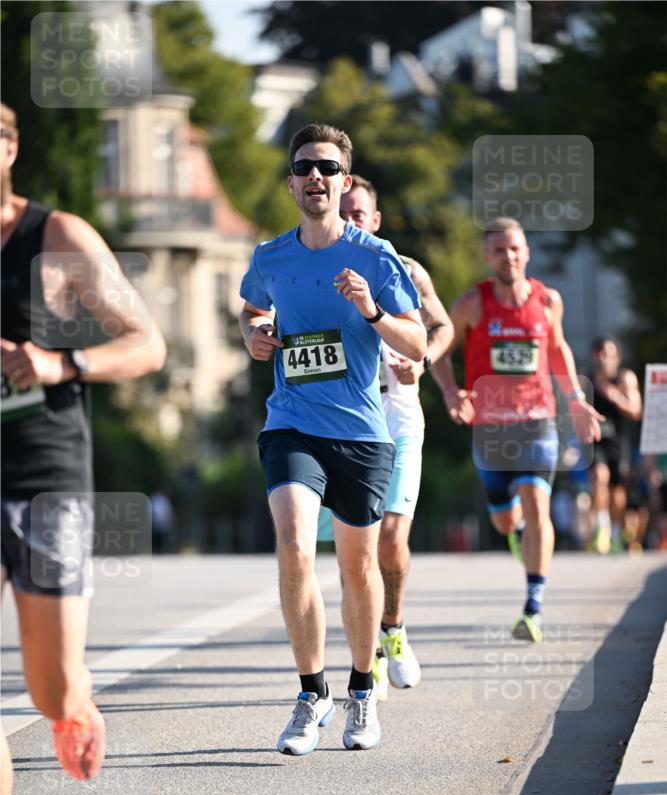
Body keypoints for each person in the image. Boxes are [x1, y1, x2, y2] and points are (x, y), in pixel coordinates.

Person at [0, 102, 166, 795]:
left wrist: (57, 362)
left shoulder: (53, 238)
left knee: (47, 687)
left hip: (46, 476)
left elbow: (146, 342)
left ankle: (77, 704)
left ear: (9, 148)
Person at [239, 123, 426, 755]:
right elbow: (251, 308)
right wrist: (254, 332)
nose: (314, 175)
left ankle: (363, 689)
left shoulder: (377, 258)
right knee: (294, 541)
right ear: (291, 182)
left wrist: (372, 310)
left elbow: (418, 342)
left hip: (361, 434)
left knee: (357, 566)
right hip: (291, 422)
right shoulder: (270, 257)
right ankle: (311, 692)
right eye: (303, 167)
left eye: (326, 166)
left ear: (344, 180)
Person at [431, 217, 603, 643]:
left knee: (537, 505)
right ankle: (517, 535)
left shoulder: (548, 302)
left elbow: (558, 350)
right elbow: (439, 352)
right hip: (490, 432)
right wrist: (452, 392)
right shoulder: (472, 304)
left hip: (538, 421)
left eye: (515, 249)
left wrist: (577, 400)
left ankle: (533, 607)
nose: (508, 256)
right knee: (507, 521)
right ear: (487, 257)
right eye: (498, 250)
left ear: (526, 253)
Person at [320, 175, 453, 698]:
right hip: (343, 417)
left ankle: (393, 629)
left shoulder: (406, 269)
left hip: (396, 416)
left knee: (392, 539)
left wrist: (423, 363)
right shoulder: (318, 267)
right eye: (344, 212)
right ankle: (367, 650)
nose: (351, 221)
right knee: (356, 546)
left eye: (360, 214)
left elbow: (440, 328)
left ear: (375, 220)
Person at [587, 337, 642, 553]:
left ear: (617, 357)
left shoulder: (624, 378)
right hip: (596, 439)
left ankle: (617, 534)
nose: (603, 358)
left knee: (618, 490)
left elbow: (636, 411)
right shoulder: (587, 380)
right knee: (600, 479)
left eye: (608, 354)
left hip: (619, 442)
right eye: (599, 353)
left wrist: (614, 396)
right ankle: (602, 528)